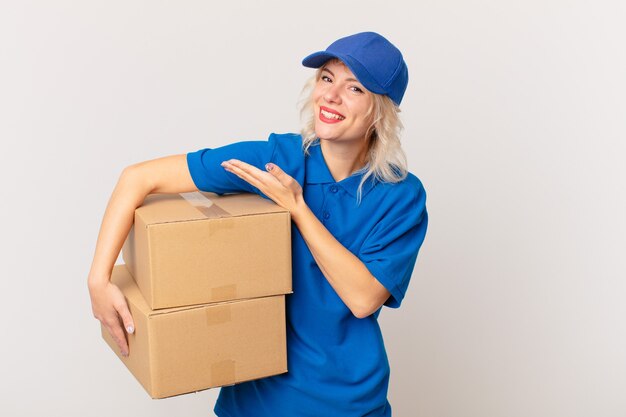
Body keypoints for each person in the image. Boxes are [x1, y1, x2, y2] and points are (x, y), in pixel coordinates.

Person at [88, 31, 428, 417]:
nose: (331, 96)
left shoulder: (401, 196)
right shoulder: (275, 159)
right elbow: (137, 178)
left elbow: (363, 298)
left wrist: (297, 207)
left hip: (348, 405)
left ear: (380, 111)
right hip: (255, 403)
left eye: (355, 88)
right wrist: (99, 280)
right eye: (327, 78)